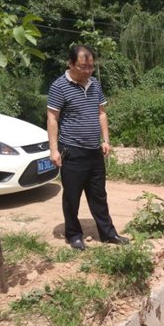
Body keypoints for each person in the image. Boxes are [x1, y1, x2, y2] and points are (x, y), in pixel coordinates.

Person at [47, 45, 129, 250]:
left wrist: (106, 140)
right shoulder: (59, 86)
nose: (88, 71)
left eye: (91, 67)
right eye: (83, 67)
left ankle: (108, 233)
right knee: (72, 196)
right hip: (72, 150)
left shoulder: (95, 84)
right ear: (70, 63)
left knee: (99, 195)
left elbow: (101, 113)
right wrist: (54, 150)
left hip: (94, 150)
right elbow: (52, 118)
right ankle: (74, 234)